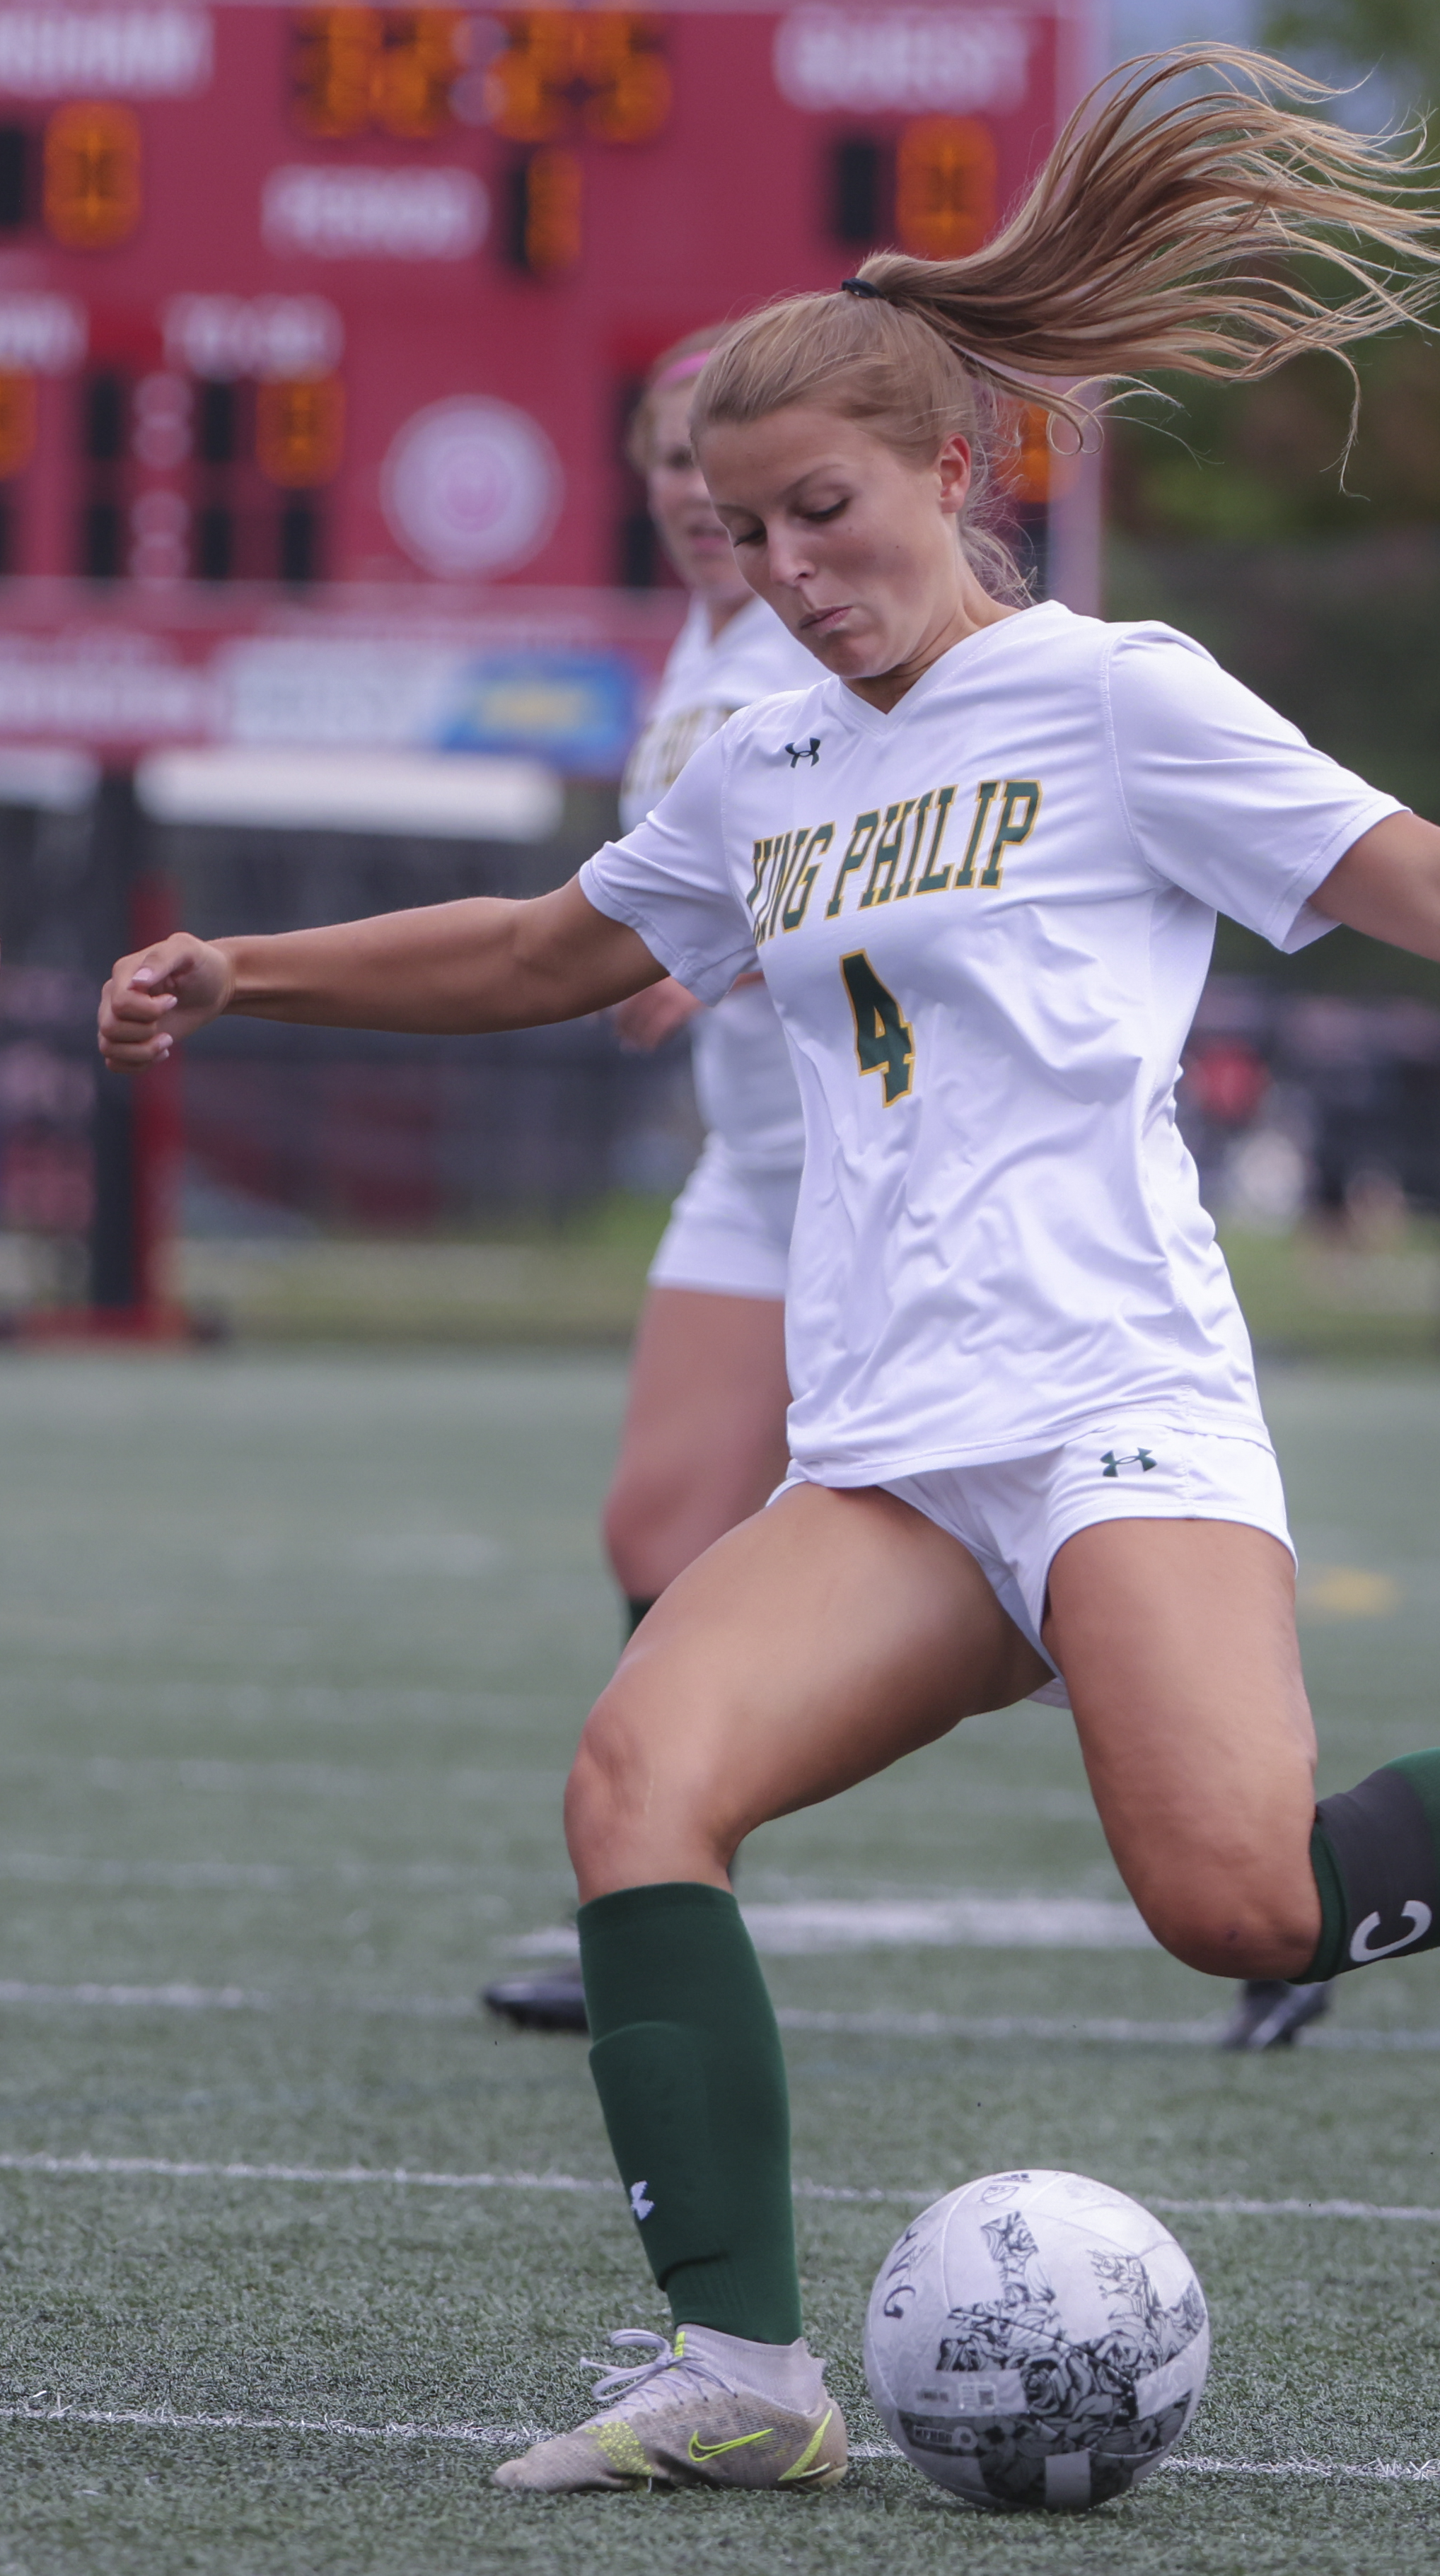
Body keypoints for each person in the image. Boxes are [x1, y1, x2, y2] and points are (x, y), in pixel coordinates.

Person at [98, 49, 1440, 2495]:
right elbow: (534, 946)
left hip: (1119, 1403)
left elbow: (1431, 877)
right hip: (895, 1453)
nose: (791, 567)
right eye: (742, 526)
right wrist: (249, 967)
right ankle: (744, 2369)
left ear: (960, 470)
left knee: (1247, 1900)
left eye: (823, 510)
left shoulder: (1119, 701)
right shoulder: (756, 764)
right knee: (640, 1774)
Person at [481, 331, 823, 2037]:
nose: (700, 490)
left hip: (876, 1171)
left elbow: (872, 857)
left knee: (1055, 1590)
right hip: (750, 1165)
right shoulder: (697, 647)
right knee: (655, 1528)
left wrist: (713, 960)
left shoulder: (831, 634)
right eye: (672, 456)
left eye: (728, 457)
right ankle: (654, 1896)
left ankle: (1283, 1879)